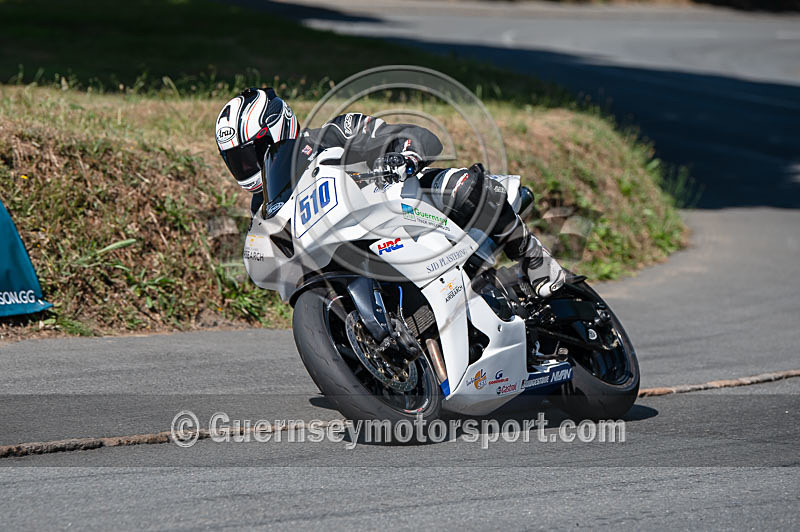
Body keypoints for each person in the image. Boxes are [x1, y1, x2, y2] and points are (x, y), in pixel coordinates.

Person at [215, 87, 565, 297]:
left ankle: (535, 259)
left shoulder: (335, 133)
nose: (249, 166)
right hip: (348, 261)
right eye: (238, 161)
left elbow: (414, 135)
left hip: (406, 212)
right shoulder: (264, 212)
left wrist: (402, 154)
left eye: (252, 153)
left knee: (463, 185)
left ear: (279, 125)